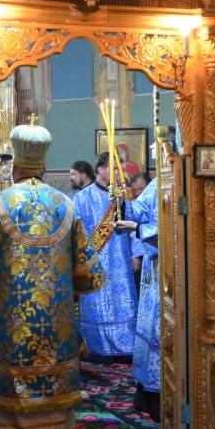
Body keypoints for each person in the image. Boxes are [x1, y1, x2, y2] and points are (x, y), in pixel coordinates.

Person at [0, 119, 105, 429]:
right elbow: (86, 272)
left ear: (14, 166)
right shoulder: (66, 205)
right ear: (43, 166)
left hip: (9, 327)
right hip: (55, 327)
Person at [74, 153, 138, 360]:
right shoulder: (83, 197)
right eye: (114, 168)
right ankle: (96, 347)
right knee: (96, 302)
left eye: (121, 168)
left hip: (121, 260)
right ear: (100, 169)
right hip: (95, 262)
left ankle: (125, 347)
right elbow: (77, 232)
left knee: (123, 302)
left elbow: (133, 225)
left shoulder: (123, 197)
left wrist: (136, 255)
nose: (119, 173)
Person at [118, 141, 165, 422]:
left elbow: (172, 229)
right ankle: (146, 394)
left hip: (169, 272)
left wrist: (137, 229)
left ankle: (160, 397)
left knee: (160, 329)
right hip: (152, 270)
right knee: (148, 328)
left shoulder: (179, 183)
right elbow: (140, 210)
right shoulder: (158, 182)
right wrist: (122, 203)